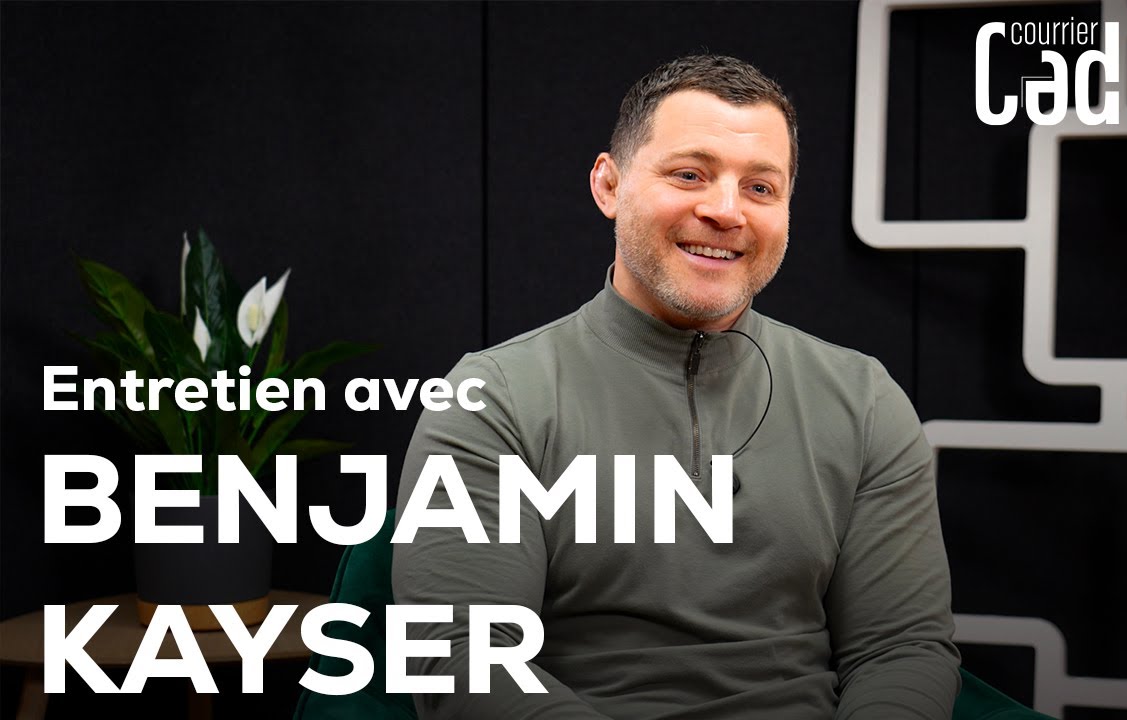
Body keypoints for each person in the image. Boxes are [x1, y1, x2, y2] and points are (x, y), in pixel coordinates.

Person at [392, 54, 960, 719]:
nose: (726, 211)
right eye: (689, 174)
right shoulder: (493, 400)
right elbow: (461, 654)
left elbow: (901, 649)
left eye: (760, 187)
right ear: (609, 185)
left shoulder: (864, 401)